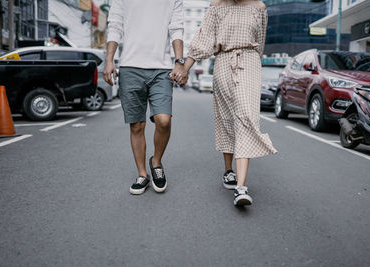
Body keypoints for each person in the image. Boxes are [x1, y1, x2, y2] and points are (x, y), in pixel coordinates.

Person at [174, 0, 277, 206]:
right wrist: (184, 68)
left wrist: (252, 62)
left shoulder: (259, 7)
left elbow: (260, 42)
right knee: (227, 118)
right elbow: (203, 40)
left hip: (249, 62)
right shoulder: (217, 6)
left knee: (246, 116)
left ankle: (241, 187)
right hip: (222, 63)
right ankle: (228, 171)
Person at [104, 0, 185, 195]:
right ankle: (142, 174)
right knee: (136, 125)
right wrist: (109, 60)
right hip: (130, 66)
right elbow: (115, 25)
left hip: (162, 68)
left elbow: (176, 29)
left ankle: (156, 161)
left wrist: (179, 62)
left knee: (163, 120)